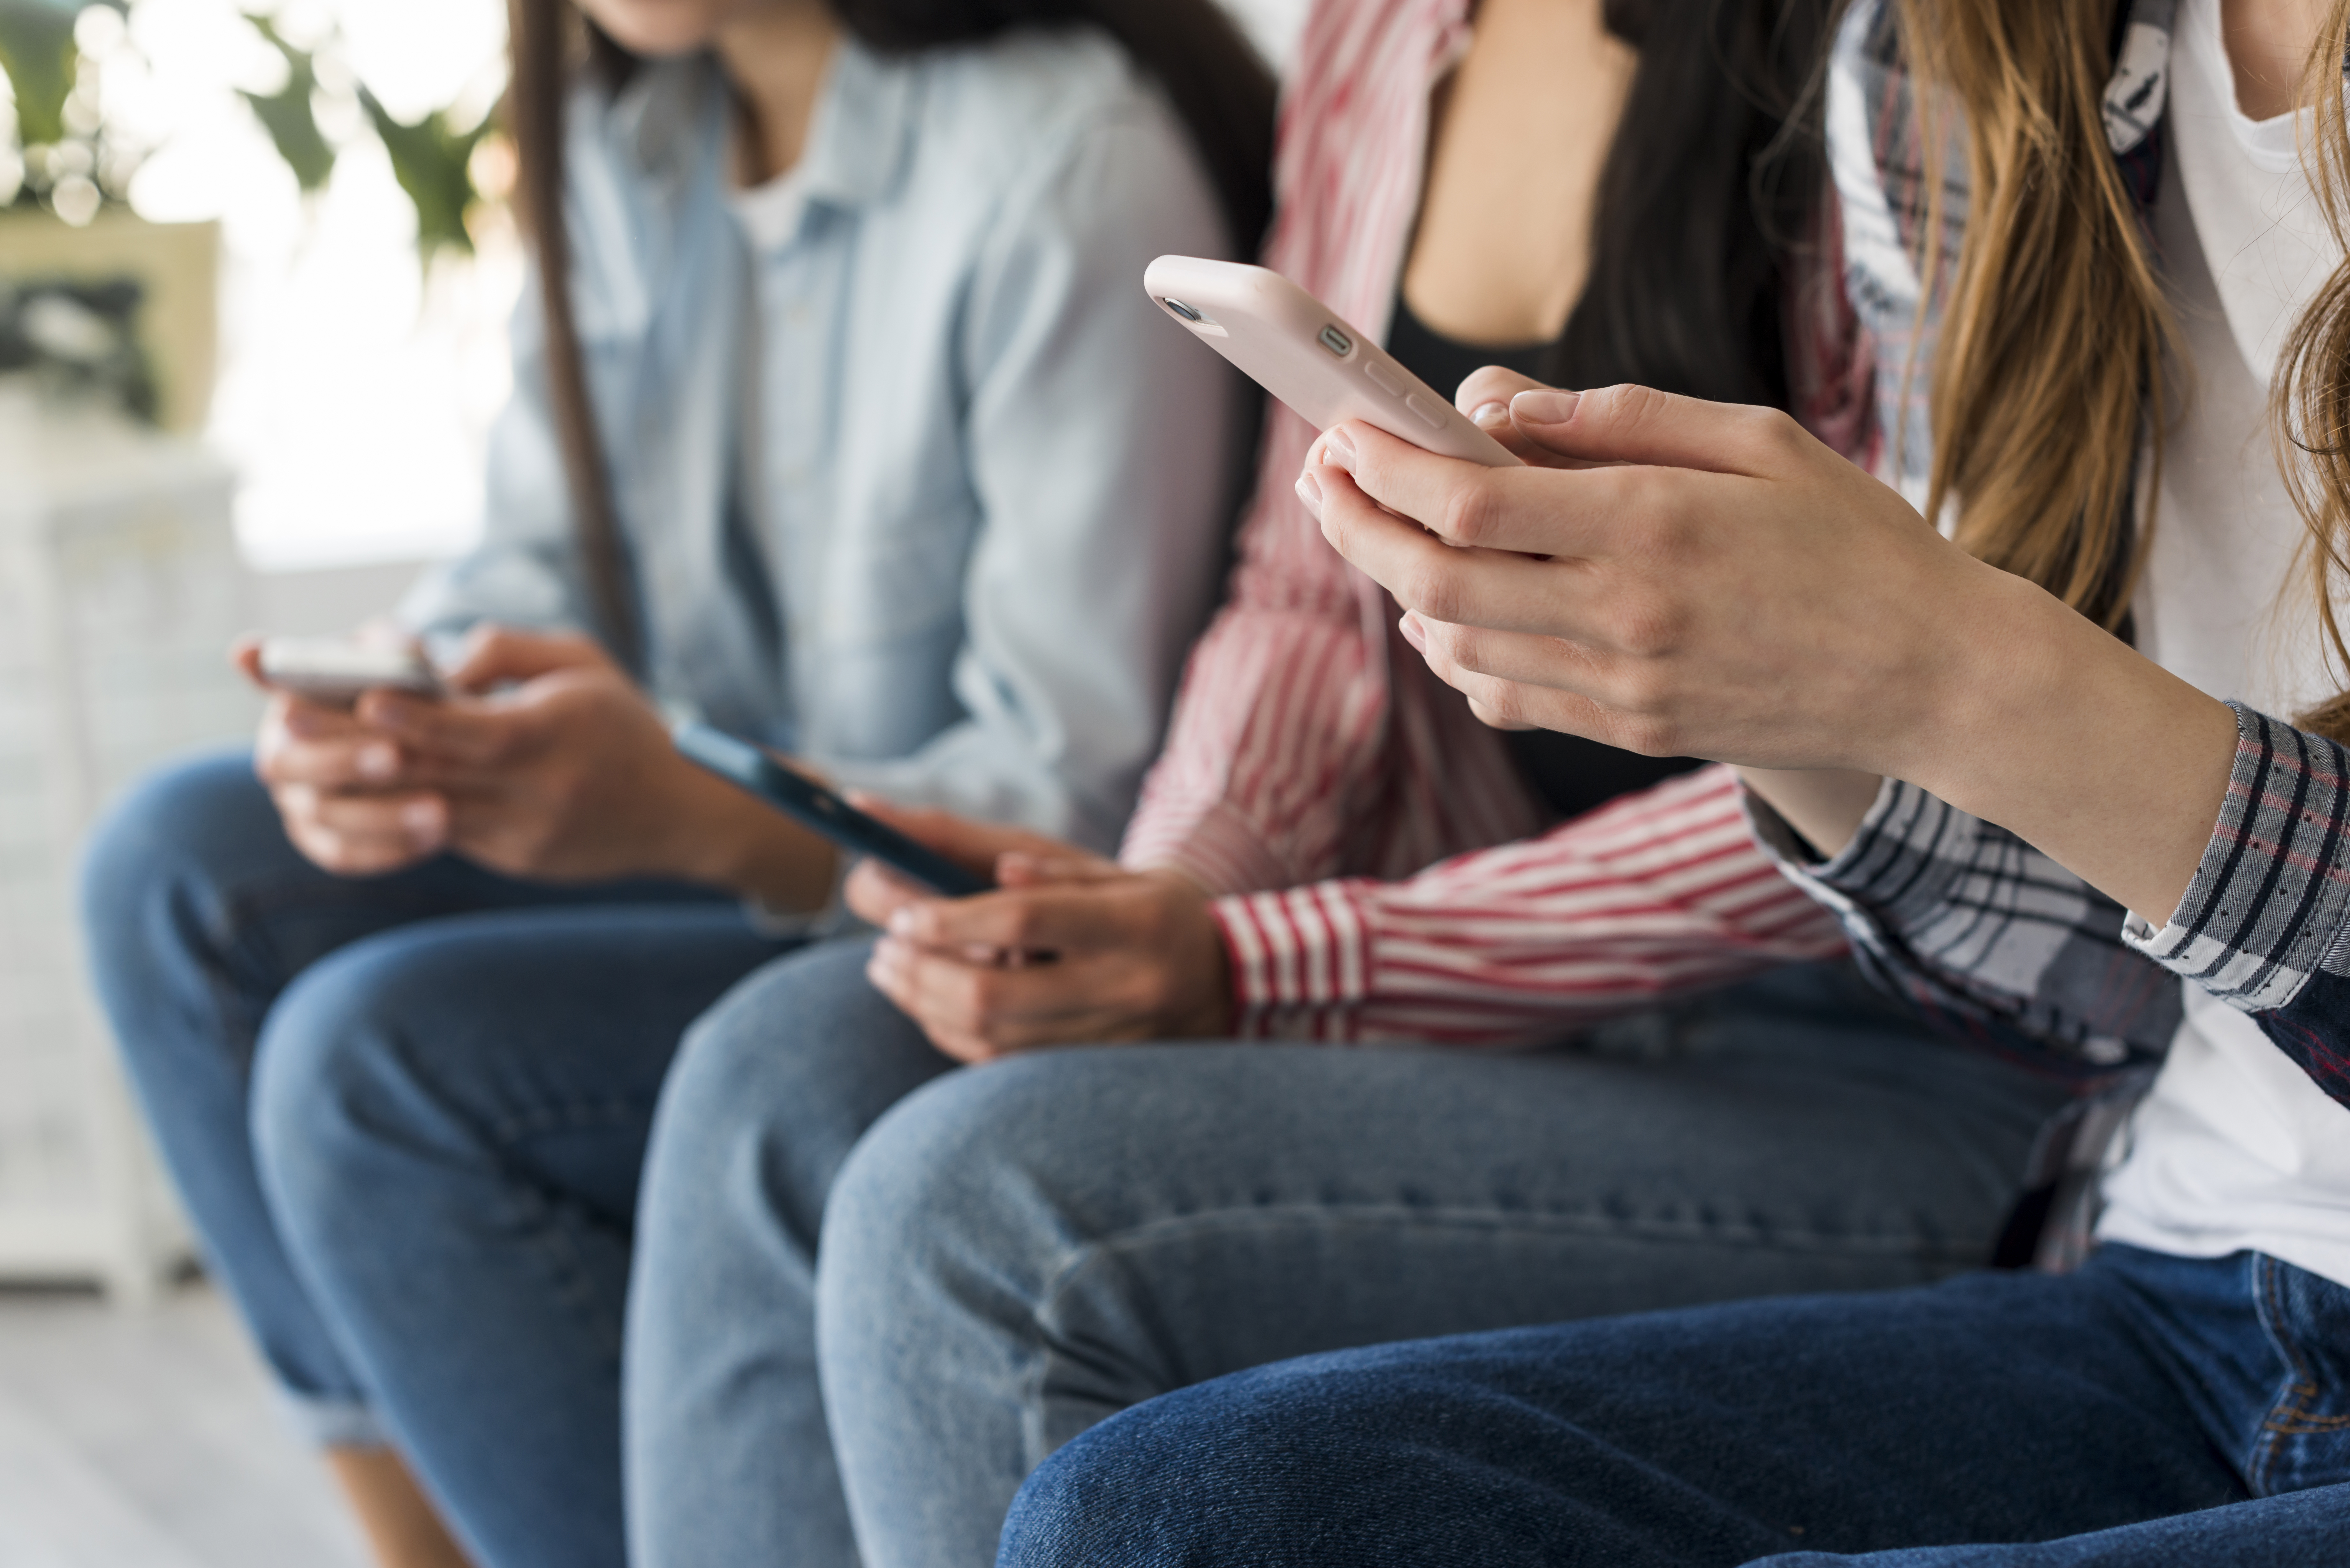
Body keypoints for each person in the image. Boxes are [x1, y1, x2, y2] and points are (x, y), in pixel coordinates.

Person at [615, 1, 2097, 1564]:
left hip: (1902, 1050)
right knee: (799, 1060)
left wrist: (1275, 968)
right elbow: (1308, 597)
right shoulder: (1387, 29)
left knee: (978, 1210)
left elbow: (1908, 755)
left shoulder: (1911, 56)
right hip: (1552, 1010)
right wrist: (1170, 902)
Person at [993, 0, 2350, 1561]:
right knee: (1169, 1516)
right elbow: (2085, 987)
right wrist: (1786, 707)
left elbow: (1996, 733)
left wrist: (1953, 668)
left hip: (1886, 1100)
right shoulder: (1978, 55)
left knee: (1004, 1202)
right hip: (2192, 1273)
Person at [77, 1, 1267, 1564]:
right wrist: (417, 707)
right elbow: (532, 564)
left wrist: (702, 822)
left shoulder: (1065, 159)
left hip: (949, 925)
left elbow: (1083, 818)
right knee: (177, 865)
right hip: (725, 855)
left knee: (376, 1059)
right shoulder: (631, 138)